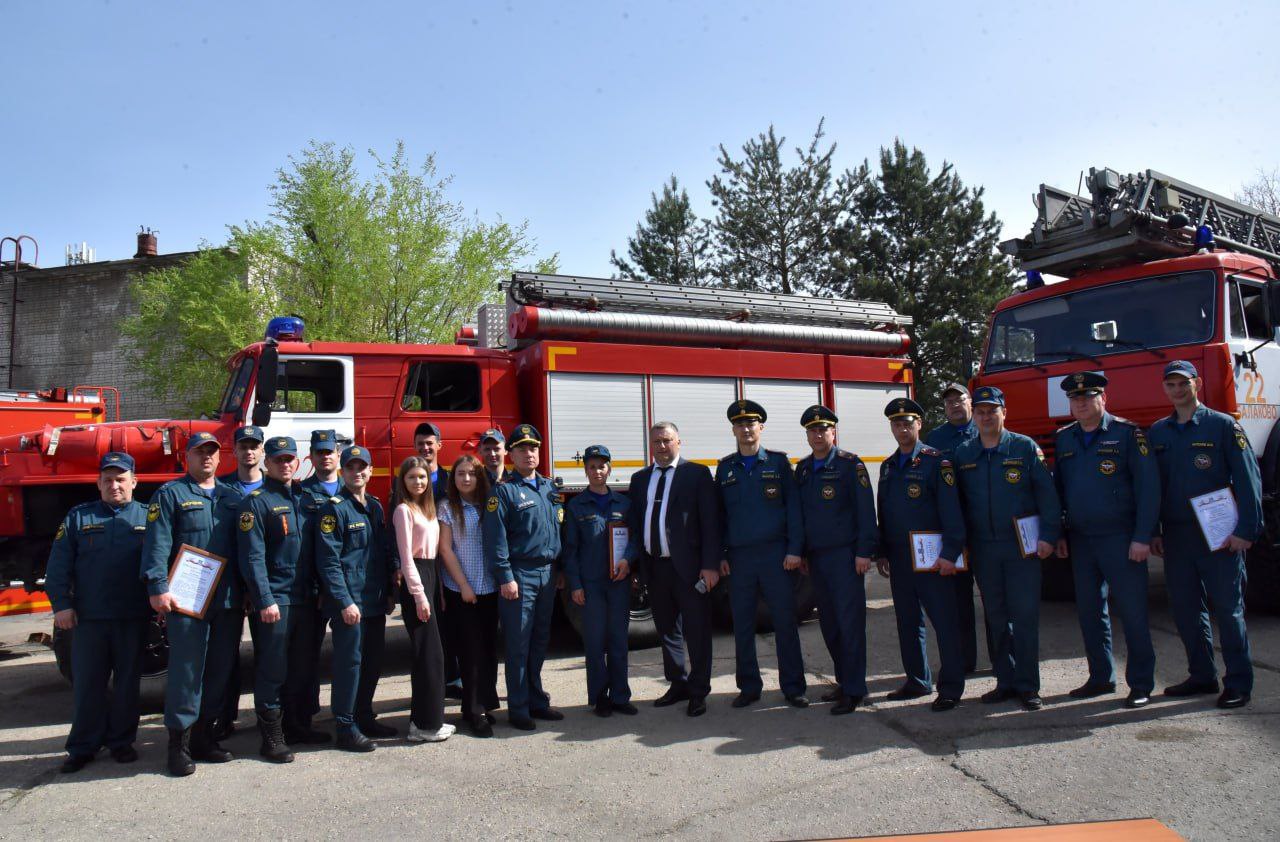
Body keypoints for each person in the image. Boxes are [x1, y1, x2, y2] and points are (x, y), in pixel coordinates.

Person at [1148, 360, 1261, 709]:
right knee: (1185, 610)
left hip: (1220, 535)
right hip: (1179, 536)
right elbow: (1153, 487)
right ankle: (1201, 675)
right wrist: (1154, 530)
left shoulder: (1223, 427)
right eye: (1171, 385)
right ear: (1165, 389)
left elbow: (1248, 481)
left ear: (1196, 382)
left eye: (1183, 383)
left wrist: (1246, 530)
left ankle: (1239, 682)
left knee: (1228, 611)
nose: (1177, 390)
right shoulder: (1158, 433)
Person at [1053, 372, 1160, 709]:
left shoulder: (1128, 435)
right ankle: (1100, 677)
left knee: (1132, 614)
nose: (1081, 403)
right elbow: (1060, 491)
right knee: (1089, 612)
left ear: (1103, 399)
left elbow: (1148, 489)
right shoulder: (1065, 439)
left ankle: (1141, 683)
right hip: (1082, 541)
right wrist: (1058, 533)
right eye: (1075, 398)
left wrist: (1143, 536)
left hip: (1122, 539)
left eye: (1088, 396)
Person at [141, 431, 245, 776]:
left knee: (218, 670)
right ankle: (178, 746)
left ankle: (205, 738)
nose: (207, 458)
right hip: (185, 600)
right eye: (200, 452)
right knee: (187, 672)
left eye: (212, 452)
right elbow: (157, 543)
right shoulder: (170, 494)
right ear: (188, 456)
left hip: (227, 599)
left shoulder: (232, 498)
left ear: (219, 458)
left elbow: (247, 550)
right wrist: (157, 587)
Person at [954, 387, 1061, 711]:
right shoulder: (964, 453)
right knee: (996, 618)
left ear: (1004, 413)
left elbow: (1047, 496)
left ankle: (1028, 685)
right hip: (984, 549)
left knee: (1025, 617)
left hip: (1021, 548)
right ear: (975, 414)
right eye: (982, 411)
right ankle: (1005, 680)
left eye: (993, 410)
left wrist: (1049, 536)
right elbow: (955, 504)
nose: (987, 416)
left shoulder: (1025, 448)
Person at [46, 452, 151, 773]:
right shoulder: (79, 517)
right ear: (98, 483)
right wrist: (62, 605)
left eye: (121, 479)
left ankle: (122, 742)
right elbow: (58, 567)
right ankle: (83, 746)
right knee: (88, 684)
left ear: (134, 482)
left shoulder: (149, 518)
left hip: (132, 618)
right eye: (108, 480)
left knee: (127, 685)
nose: (114, 485)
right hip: (89, 619)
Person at [624, 421, 721, 717]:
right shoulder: (640, 479)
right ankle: (677, 683)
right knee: (667, 630)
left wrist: (710, 565)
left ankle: (699, 690)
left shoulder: (697, 474)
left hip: (690, 569)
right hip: (656, 568)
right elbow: (636, 524)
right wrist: (638, 567)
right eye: (656, 442)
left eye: (667, 441)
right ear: (650, 446)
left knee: (697, 630)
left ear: (680, 442)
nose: (662, 447)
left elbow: (711, 523)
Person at [875, 399, 967, 712]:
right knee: (908, 622)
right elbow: (884, 513)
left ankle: (951, 686)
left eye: (907, 422)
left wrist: (950, 554)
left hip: (932, 559)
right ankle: (917, 680)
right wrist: (882, 551)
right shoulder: (888, 467)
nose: (902, 428)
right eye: (896, 424)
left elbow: (952, 513)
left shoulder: (936, 462)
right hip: (900, 559)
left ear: (919, 425)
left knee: (944, 622)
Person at [716, 399, 808, 709]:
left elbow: (794, 509)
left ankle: (794, 687)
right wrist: (720, 554)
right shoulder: (725, 467)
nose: (746, 428)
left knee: (784, 622)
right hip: (740, 559)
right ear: (733, 430)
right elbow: (719, 516)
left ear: (761, 427)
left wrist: (795, 549)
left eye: (751, 423)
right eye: (740, 424)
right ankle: (749, 687)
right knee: (742, 625)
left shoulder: (779, 464)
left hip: (776, 556)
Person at [481, 424, 565, 730]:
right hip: (520, 574)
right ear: (510, 454)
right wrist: (505, 576)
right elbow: (495, 539)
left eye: (533, 448)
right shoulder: (502, 492)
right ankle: (518, 708)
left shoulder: (548, 488)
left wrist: (561, 570)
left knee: (540, 640)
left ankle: (536, 701)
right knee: (518, 643)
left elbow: (558, 529)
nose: (528, 454)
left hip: (548, 573)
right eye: (521, 449)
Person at [237, 436, 314, 764]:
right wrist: (264, 598)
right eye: (278, 459)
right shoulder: (256, 502)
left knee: (300, 668)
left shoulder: (304, 498)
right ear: (266, 463)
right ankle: (272, 737)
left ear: (297, 463)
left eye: (289, 459)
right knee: (272, 669)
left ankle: (296, 726)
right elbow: (252, 558)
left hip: (305, 599)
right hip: (276, 601)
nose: (284, 464)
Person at [794, 406, 876, 715]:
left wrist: (864, 552)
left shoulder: (850, 465)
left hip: (845, 557)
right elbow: (801, 516)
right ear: (807, 435)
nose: (817, 435)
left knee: (849, 623)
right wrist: (801, 551)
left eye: (823, 429)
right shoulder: (802, 469)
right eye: (812, 430)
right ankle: (845, 681)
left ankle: (855, 690)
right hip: (816, 559)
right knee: (829, 624)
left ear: (833, 432)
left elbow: (866, 511)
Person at [315, 445, 396, 751]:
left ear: (371, 471)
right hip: (351, 603)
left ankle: (364, 716)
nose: (357, 472)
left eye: (362, 467)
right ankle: (345, 726)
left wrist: (389, 592)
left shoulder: (374, 506)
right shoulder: (334, 509)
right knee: (349, 664)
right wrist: (344, 601)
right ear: (342, 471)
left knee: (373, 662)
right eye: (350, 467)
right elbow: (329, 562)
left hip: (373, 599)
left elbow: (382, 552)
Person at [562, 445, 635, 717]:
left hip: (618, 583)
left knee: (618, 641)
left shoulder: (623, 504)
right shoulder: (577, 506)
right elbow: (570, 549)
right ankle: (600, 697)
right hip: (591, 585)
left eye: (602, 466)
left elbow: (634, 539)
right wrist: (576, 585)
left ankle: (620, 696)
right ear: (586, 471)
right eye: (592, 467)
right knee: (594, 644)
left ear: (610, 469)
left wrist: (628, 559)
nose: (597, 471)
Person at [392, 455, 455, 743]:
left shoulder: (427, 509)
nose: (417, 482)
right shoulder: (403, 511)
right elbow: (406, 560)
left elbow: (434, 558)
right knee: (429, 656)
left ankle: (421, 722)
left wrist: (436, 592)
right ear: (402, 482)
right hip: (416, 579)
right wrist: (419, 597)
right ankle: (428, 725)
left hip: (431, 576)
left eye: (421, 477)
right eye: (411, 477)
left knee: (431, 655)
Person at [438, 454, 500, 737]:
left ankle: (480, 703)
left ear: (479, 477)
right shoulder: (448, 508)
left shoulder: (489, 505)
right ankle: (476, 713)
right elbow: (446, 550)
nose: (465, 478)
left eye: (471, 474)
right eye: (460, 473)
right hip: (463, 590)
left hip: (490, 587)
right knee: (471, 651)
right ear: (454, 479)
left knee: (488, 649)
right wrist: (463, 585)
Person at [924, 382, 982, 674]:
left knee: (997, 604)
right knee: (959, 603)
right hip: (954, 533)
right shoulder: (936, 438)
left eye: (959, 400)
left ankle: (1004, 666)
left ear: (970, 402)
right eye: (949, 403)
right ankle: (965, 661)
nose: (954, 406)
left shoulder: (984, 429)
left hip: (985, 531)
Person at [213, 424, 266, 740]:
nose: (248, 452)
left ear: (262, 451)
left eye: (254, 446)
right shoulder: (221, 491)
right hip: (229, 586)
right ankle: (224, 718)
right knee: (226, 657)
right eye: (243, 446)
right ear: (234, 451)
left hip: (263, 589)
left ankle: (267, 717)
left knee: (267, 655)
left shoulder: (276, 488)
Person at [291, 429, 341, 745]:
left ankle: (352, 711)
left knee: (351, 652)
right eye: (319, 452)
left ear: (338, 455)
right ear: (311, 456)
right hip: (311, 589)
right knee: (306, 656)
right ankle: (303, 718)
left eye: (330, 451)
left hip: (344, 588)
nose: (325, 457)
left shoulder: (352, 489)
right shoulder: (300, 494)